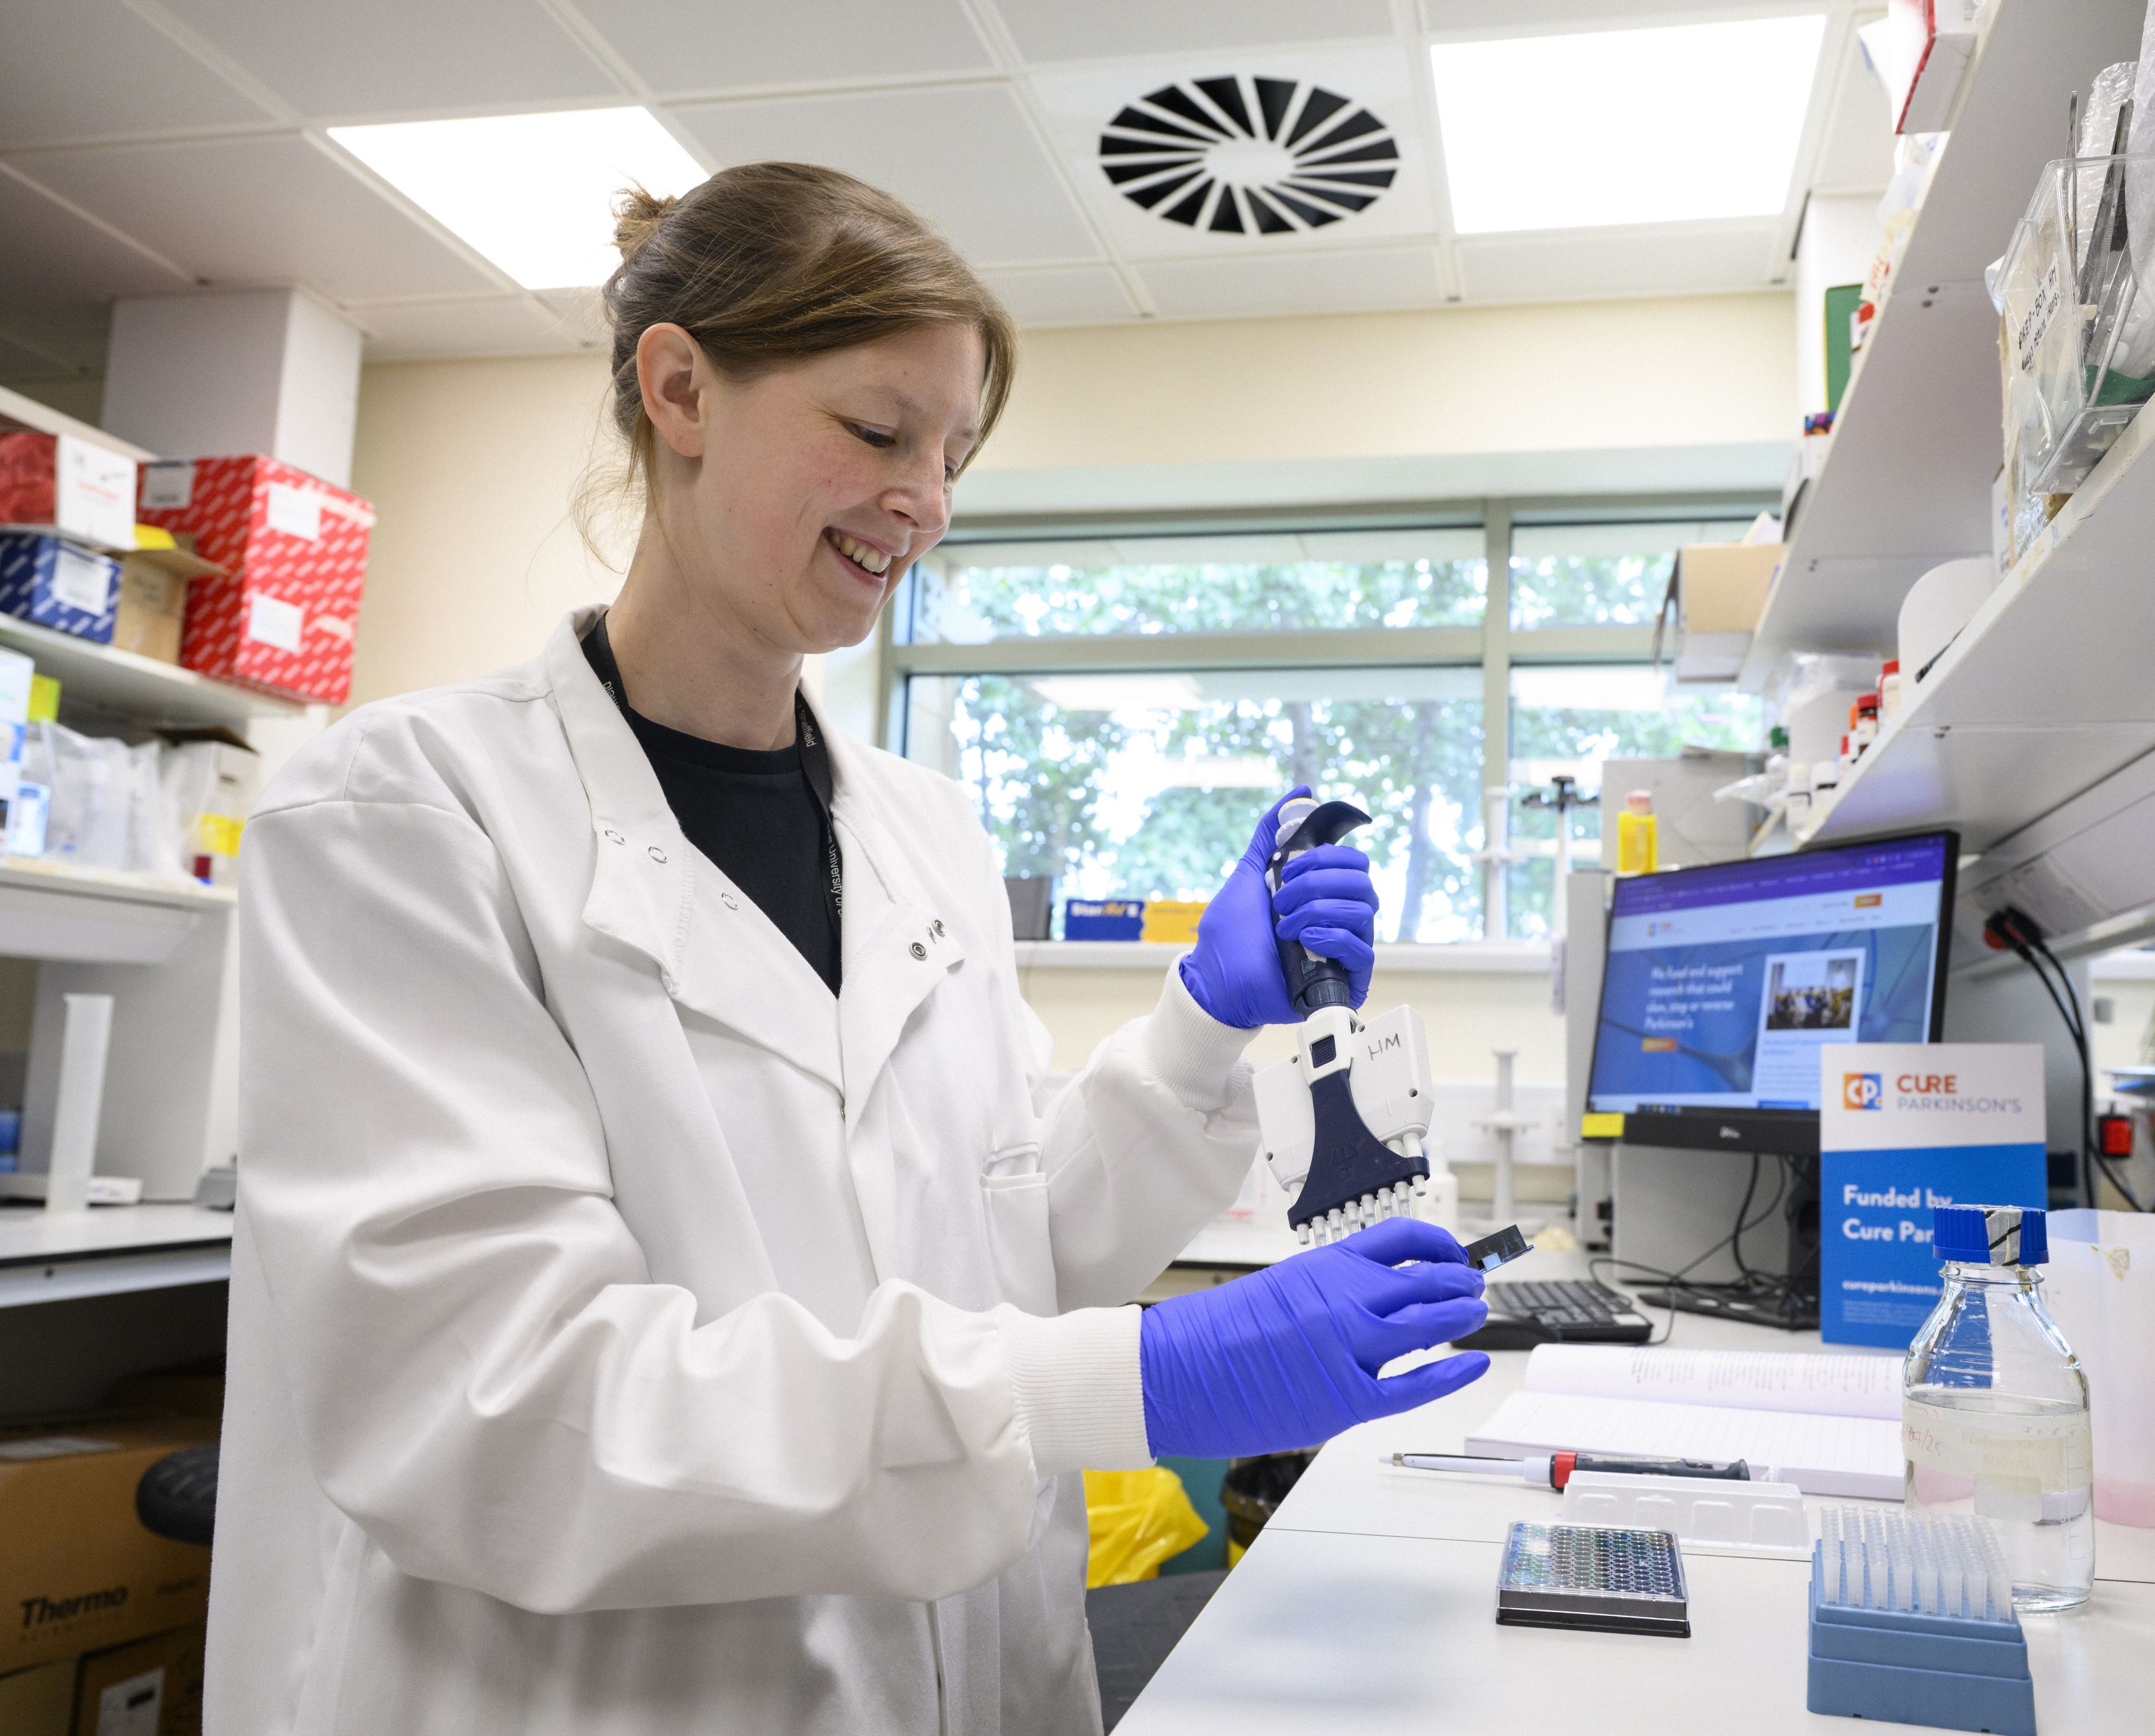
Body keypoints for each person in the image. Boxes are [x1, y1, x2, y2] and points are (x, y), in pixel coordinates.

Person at [205, 162, 1489, 1736]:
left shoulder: (921, 831)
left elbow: (1005, 1247)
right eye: (878, 434)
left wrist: (1196, 1026)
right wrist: (1134, 1383)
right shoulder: (403, 814)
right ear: (678, 388)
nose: (926, 503)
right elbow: (504, 1406)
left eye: (951, 455)